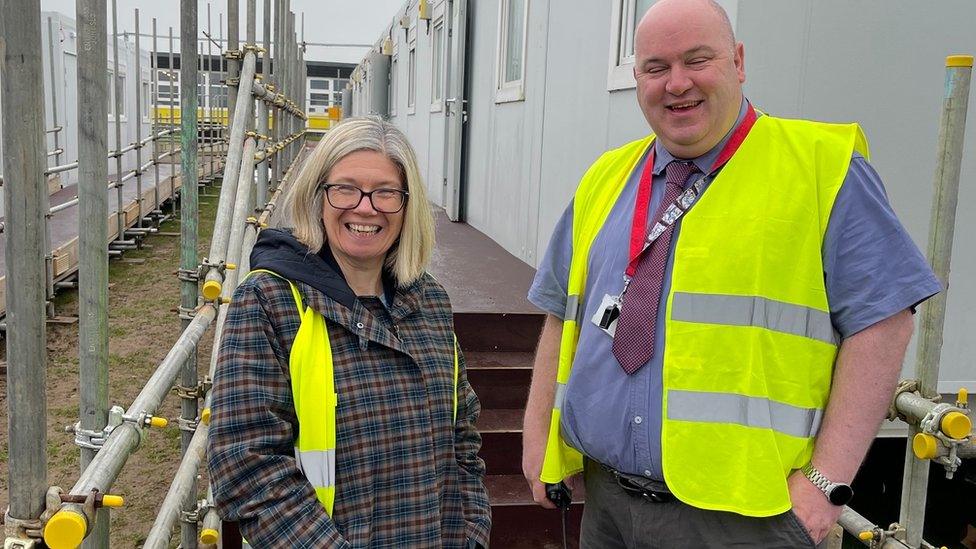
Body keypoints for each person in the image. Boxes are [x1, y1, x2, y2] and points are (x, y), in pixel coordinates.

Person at [521, 0, 941, 547]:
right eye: (655, 67)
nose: (676, 84)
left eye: (698, 60)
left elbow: (884, 324)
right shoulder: (607, 177)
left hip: (747, 520)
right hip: (608, 505)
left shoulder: (820, 167)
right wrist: (539, 441)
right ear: (636, 77)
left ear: (738, 61)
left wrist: (824, 484)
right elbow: (562, 316)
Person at [208, 116, 491, 548]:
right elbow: (247, 465)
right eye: (345, 188)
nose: (365, 207)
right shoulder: (270, 301)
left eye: (386, 193)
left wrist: (472, 531)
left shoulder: (429, 300)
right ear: (318, 196)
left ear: (406, 205)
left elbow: (463, 434)